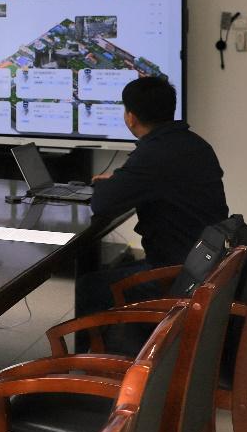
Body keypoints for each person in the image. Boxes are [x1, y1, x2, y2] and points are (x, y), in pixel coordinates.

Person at [76, 76, 229, 323]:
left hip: (180, 277)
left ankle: (112, 349)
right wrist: (121, 179)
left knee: (89, 287)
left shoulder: (153, 154)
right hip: (205, 264)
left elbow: (102, 203)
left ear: (131, 118)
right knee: (109, 275)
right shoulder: (195, 144)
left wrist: (112, 182)